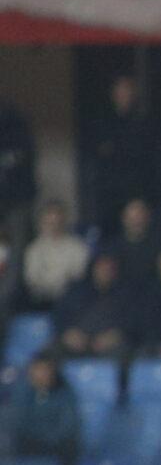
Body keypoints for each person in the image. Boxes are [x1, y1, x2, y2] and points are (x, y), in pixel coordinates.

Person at [85, 74, 158, 235]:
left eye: (129, 92)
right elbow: (101, 152)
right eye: (121, 92)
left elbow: (143, 155)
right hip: (109, 194)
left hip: (136, 191)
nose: (125, 97)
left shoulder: (143, 123)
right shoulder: (103, 122)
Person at [9, 351, 80, 465]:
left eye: (45, 369)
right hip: (30, 442)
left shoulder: (65, 392)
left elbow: (68, 422)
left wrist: (50, 438)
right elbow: (20, 421)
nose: (41, 374)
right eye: (37, 369)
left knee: (70, 446)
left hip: (57, 443)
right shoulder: (23, 393)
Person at [54, 252, 139, 360]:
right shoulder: (76, 291)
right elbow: (60, 317)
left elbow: (133, 323)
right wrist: (69, 334)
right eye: (102, 266)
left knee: (125, 354)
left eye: (109, 268)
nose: (105, 271)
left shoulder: (126, 294)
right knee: (53, 352)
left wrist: (116, 336)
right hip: (77, 342)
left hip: (110, 346)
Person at [23, 200, 90, 311]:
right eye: (50, 222)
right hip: (41, 303)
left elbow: (79, 275)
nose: (54, 226)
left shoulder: (78, 248)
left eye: (57, 221)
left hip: (71, 302)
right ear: (42, 222)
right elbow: (32, 278)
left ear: (64, 221)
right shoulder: (34, 250)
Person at [0, 97, 37, 255]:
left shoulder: (19, 131)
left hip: (18, 200)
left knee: (18, 247)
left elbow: (26, 162)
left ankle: (12, 281)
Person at [105, 197, 161, 290]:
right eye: (133, 219)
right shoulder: (113, 248)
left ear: (147, 219)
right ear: (124, 219)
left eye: (139, 218)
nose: (136, 222)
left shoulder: (159, 247)